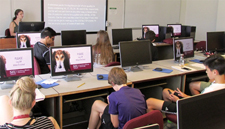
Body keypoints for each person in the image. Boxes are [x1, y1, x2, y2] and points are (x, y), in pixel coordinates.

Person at [146, 54, 225, 112]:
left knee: (149, 101)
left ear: (215, 72)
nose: (206, 72)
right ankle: (170, 119)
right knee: (166, 91)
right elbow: (198, 101)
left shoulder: (211, 91)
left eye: (207, 70)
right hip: (193, 104)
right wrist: (185, 96)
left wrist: (178, 100)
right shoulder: (218, 85)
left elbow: (197, 107)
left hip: (188, 110)